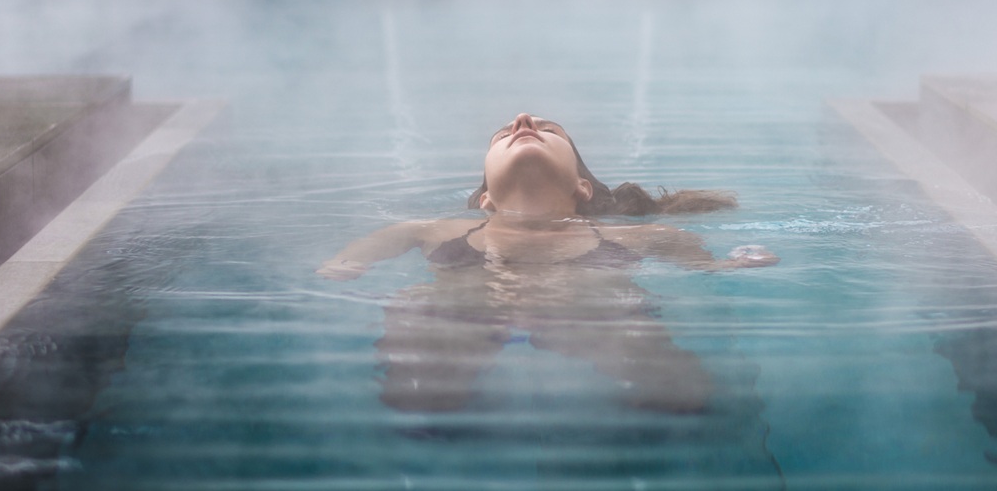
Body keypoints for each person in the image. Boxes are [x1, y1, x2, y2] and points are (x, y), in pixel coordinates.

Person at [318, 113, 777, 413]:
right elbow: (363, 251)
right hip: (462, 308)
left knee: (680, 392)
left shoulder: (639, 235)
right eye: (504, 133)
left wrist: (734, 266)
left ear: (582, 187)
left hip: (592, 312)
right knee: (417, 387)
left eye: (549, 129)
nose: (522, 121)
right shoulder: (434, 229)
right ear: (484, 199)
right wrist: (344, 264)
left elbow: (705, 267)